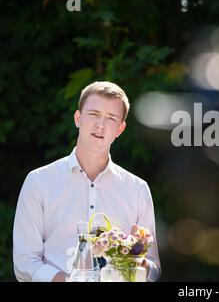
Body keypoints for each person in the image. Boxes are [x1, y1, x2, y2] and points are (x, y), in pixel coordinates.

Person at [13, 81, 161, 282]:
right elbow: (25, 262)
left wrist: (138, 260)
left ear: (120, 129)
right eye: (93, 114)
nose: (100, 125)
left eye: (111, 118)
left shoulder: (138, 189)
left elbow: (153, 269)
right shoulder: (38, 182)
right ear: (78, 118)